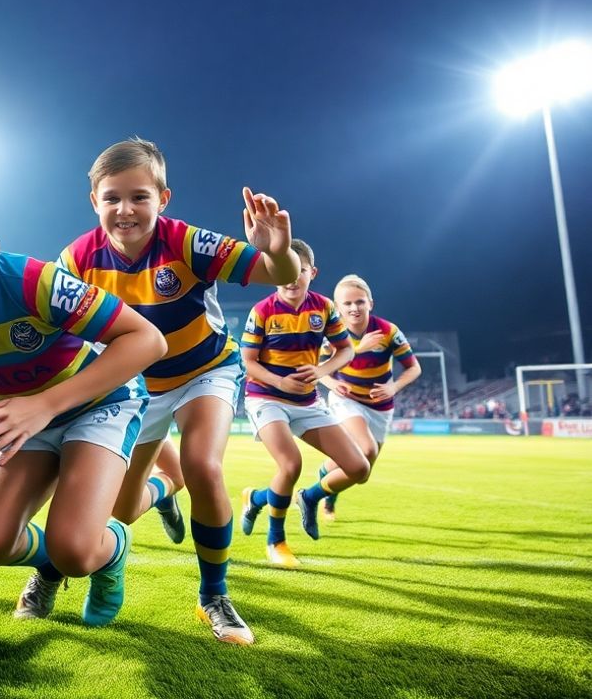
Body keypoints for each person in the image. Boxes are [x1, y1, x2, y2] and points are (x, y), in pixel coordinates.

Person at [57, 137, 300, 644]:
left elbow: (275, 273)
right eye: (113, 197)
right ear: (95, 202)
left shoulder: (188, 243)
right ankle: (163, 493)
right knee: (121, 511)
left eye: (139, 196)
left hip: (204, 372)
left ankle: (214, 595)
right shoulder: (76, 258)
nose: (126, 209)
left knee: (204, 466)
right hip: (135, 387)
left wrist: (278, 252)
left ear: (162, 199)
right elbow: (60, 333)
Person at [0, 189, 167, 628]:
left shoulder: (36, 283)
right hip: (23, 420)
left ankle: (109, 548)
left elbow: (148, 340)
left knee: (77, 551)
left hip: (98, 404)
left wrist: (44, 405)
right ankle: (50, 563)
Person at [239, 239, 369, 568]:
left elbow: (346, 350)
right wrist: (280, 381)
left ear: (312, 272)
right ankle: (276, 542)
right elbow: (248, 362)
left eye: (299, 270)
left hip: (307, 402)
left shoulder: (324, 308)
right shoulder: (263, 311)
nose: (292, 277)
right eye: (286, 270)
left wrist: (322, 370)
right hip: (266, 397)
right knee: (290, 463)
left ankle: (298, 498)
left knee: (358, 468)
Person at [316, 274, 421, 520]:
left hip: (381, 406)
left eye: (360, 302)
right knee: (365, 449)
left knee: (361, 473)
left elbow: (414, 367)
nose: (354, 308)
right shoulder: (331, 334)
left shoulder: (388, 331)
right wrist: (332, 383)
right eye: (348, 303)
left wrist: (393, 388)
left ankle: (325, 486)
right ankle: (311, 497)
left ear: (370, 303)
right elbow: (318, 370)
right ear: (337, 307)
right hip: (347, 399)